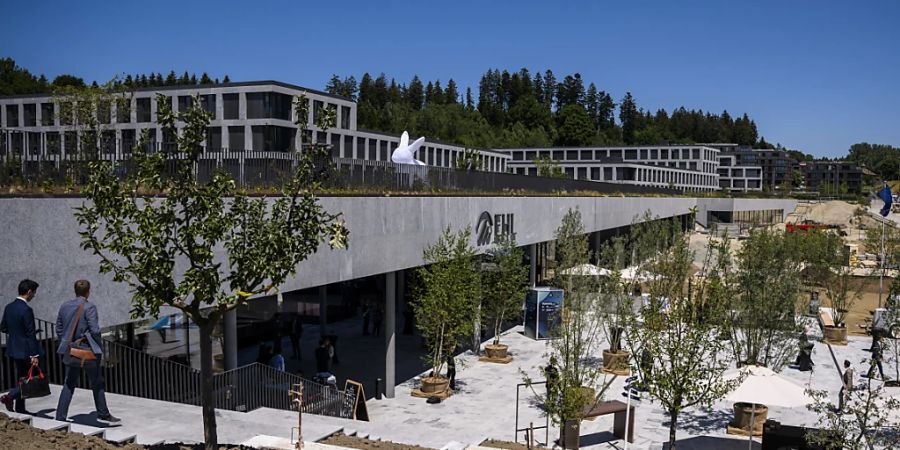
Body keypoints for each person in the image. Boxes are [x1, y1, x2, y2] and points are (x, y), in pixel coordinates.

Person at [55, 280, 120, 423]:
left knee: (69, 383)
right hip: (87, 351)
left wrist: (67, 342)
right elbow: (95, 330)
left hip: (71, 351)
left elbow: (59, 328)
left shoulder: (65, 306)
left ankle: (60, 416)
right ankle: (103, 413)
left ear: (75, 291)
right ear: (88, 291)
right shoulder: (89, 307)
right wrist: (96, 345)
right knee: (96, 382)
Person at [0, 279, 43, 414]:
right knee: (30, 379)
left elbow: (3, 327)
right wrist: (34, 355)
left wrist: (16, 334)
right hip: (26, 350)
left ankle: (20, 407)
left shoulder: (9, 307)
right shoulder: (26, 310)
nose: (34, 296)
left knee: (22, 376)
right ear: (29, 292)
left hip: (13, 348)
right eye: (34, 293)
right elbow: (30, 334)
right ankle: (9, 396)